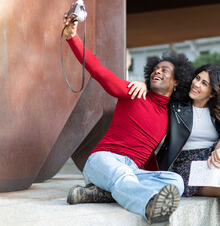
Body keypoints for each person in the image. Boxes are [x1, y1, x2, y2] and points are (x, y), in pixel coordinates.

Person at [61, 15, 194, 225]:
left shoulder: (172, 116)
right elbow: (98, 70)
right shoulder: (133, 92)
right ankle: (151, 208)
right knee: (124, 175)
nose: (157, 71)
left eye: (164, 70)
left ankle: (103, 194)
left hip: (133, 171)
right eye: (155, 69)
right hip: (103, 161)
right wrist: (73, 38)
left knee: (175, 181)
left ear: (177, 81)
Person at [135, 64, 220, 226]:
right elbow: (160, 88)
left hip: (212, 161)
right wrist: (143, 85)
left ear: (213, 93)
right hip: (184, 165)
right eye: (197, 78)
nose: (196, 84)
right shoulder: (177, 104)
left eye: (204, 83)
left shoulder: (219, 110)